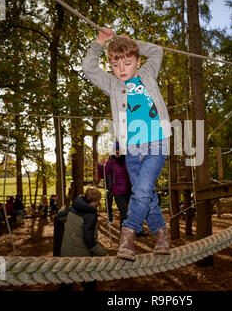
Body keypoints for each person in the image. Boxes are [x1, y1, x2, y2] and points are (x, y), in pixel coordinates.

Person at [83, 28, 171, 261]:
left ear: (138, 61)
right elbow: (89, 69)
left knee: (141, 191)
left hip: (157, 143)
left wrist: (128, 42)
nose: (121, 70)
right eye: (115, 65)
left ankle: (128, 232)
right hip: (131, 150)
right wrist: (100, 44)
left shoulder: (148, 73)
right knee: (147, 193)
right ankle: (161, 235)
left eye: (127, 63)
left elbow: (157, 51)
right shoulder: (112, 85)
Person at [56, 187, 107, 291]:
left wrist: (61, 211)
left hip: (67, 254)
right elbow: (89, 241)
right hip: (82, 258)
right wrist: (103, 253)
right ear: (95, 201)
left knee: (66, 283)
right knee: (89, 284)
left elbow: (60, 217)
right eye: (97, 202)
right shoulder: (90, 215)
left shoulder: (73, 207)